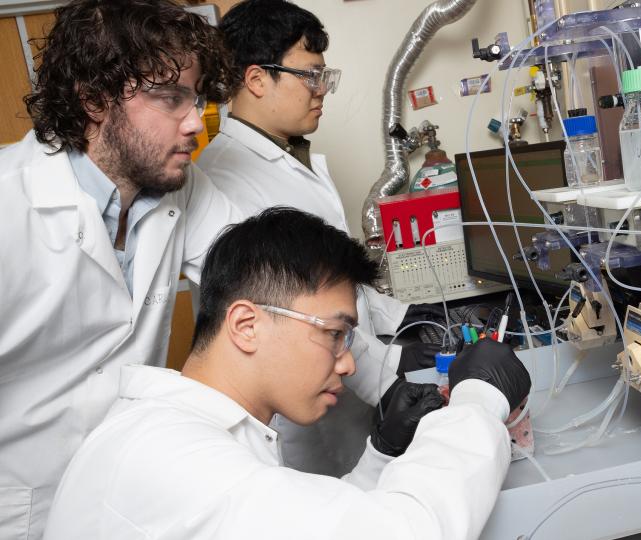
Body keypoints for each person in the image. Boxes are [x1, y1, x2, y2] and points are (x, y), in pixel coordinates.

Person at [44, 207, 532, 540]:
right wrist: (480, 401)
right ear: (246, 325)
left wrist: (382, 454)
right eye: (335, 333)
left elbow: (311, 521)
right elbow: (402, 532)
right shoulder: (177, 462)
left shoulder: (178, 431)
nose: (349, 362)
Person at [0, 1, 239, 536]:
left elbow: (266, 273)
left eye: (196, 98)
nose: (195, 122)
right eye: (170, 97)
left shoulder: (183, 186)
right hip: (21, 508)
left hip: (128, 492)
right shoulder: (8, 204)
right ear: (93, 99)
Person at [197, 0, 443, 475]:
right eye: (311, 76)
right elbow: (297, 309)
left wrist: (405, 315)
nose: (322, 90)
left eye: (325, 77)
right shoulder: (223, 180)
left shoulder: (292, 156)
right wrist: (389, 376)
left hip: (344, 379)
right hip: (306, 412)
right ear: (256, 79)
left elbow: (333, 278)